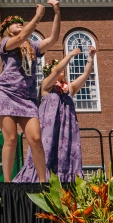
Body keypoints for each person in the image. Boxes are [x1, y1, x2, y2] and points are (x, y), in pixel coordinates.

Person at [0, 0, 63, 182]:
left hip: (28, 97)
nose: (20, 24)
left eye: (21, 23)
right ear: (6, 29)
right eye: (15, 23)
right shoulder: (6, 43)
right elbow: (21, 38)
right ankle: (7, 183)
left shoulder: (33, 46)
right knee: (11, 139)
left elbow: (53, 39)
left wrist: (56, 13)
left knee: (36, 139)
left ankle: (42, 182)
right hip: (6, 93)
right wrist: (38, 17)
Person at [16, 46, 96, 183]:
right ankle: (39, 180)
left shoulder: (68, 88)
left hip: (65, 129)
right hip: (49, 128)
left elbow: (85, 75)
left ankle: (65, 180)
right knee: (46, 152)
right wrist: (70, 55)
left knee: (65, 154)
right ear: (50, 72)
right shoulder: (46, 86)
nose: (61, 70)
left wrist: (91, 57)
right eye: (57, 68)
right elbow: (58, 69)